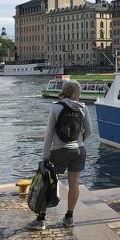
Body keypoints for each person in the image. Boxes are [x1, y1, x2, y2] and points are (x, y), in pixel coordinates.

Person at [28, 80, 93, 230]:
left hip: (59, 150)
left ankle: (41, 219)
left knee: (48, 182)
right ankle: (69, 217)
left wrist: (45, 156)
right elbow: (89, 131)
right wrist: (79, 141)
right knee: (74, 183)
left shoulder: (56, 107)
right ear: (76, 94)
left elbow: (49, 133)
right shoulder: (83, 108)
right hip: (79, 150)